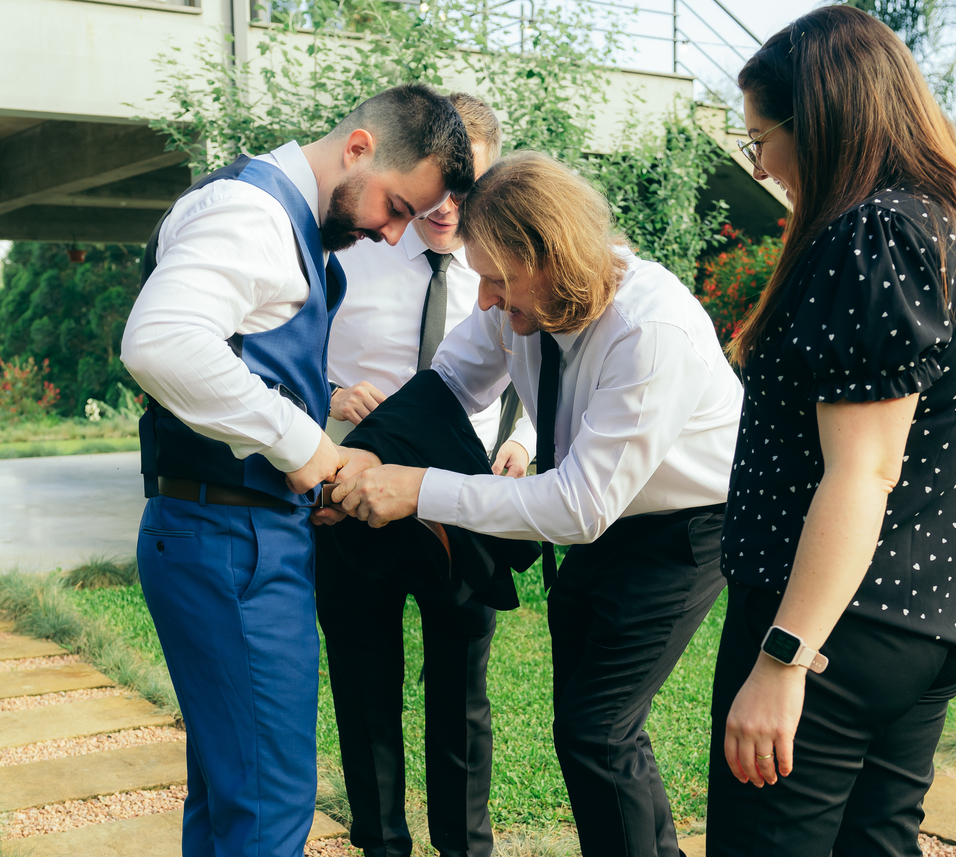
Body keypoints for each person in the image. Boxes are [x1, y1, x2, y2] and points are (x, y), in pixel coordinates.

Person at [321, 151, 745, 857]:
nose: (483, 298)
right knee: (593, 731)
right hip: (603, 520)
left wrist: (418, 488)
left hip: (684, 529)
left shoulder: (650, 327)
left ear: (548, 255)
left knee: (597, 727)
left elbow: (578, 505)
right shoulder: (521, 302)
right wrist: (366, 452)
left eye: (495, 279)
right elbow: (450, 380)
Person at [703, 8, 956, 856]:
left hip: (830, 634)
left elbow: (864, 470)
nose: (763, 165)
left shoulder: (876, 231)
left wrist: (783, 657)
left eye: (760, 137)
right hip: (929, 625)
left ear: (817, 121)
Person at [120, 84, 475, 857]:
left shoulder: (279, 222)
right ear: (358, 147)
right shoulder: (249, 215)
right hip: (230, 541)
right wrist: (307, 448)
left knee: (230, 793)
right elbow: (159, 343)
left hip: (232, 531)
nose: (392, 234)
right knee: (269, 803)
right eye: (398, 206)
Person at [315, 92, 532, 857]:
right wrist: (331, 394)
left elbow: (538, 368)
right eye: (440, 188)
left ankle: (465, 849)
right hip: (355, 499)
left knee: (461, 696)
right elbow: (293, 354)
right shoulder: (352, 247)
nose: (447, 207)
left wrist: (528, 439)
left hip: (462, 508)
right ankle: (380, 845)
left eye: (467, 189)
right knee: (365, 685)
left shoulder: (508, 268)